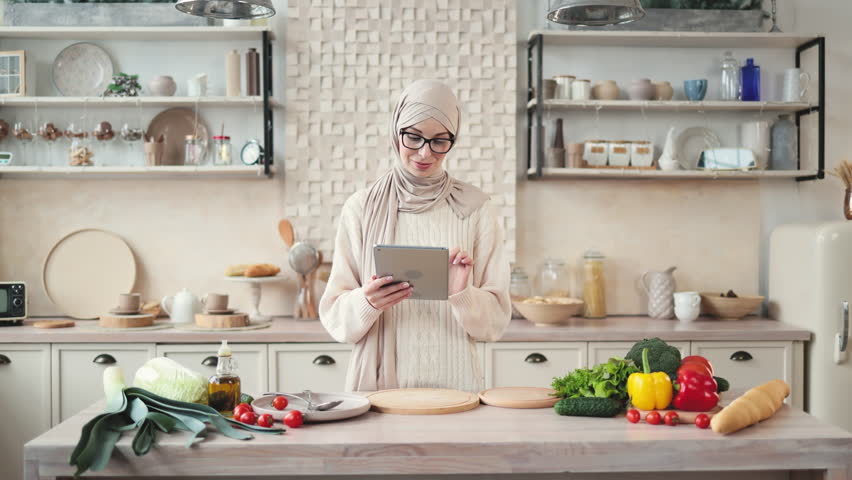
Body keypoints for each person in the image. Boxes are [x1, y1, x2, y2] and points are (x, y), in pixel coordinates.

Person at [319, 79, 511, 393]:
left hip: (457, 385)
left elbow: (497, 320)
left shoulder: (475, 208)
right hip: (379, 393)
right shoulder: (362, 207)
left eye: (439, 140)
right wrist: (367, 301)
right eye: (414, 137)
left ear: (454, 139)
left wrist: (462, 294)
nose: (425, 152)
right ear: (396, 132)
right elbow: (334, 315)